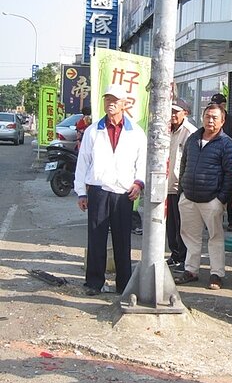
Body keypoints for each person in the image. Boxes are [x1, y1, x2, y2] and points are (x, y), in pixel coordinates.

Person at [74, 84, 147, 296]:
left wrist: (139, 183)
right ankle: (94, 283)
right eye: (107, 99)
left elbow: (142, 161)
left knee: (122, 239)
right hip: (98, 190)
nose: (111, 104)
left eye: (115, 100)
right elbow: (83, 162)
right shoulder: (92, 131)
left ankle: (124, 285)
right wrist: (81, 191)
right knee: (96, 237)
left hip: (123, 192)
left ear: (124, 104)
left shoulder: (136, 133)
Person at [174, 103, 232, 290]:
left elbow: (230, 174)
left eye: (215, 117)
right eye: (207, 116)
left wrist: (221, 199)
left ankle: (216, 274)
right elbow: (184, 164)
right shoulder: (193, 138)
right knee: (190, 237)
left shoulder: (226, 143)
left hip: (212, 200)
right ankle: (191, 270)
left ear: (222, 121)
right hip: (189, 197)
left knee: (215, 238)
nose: (210, 120)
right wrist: (182, 191)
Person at [165, 98, 197, 271]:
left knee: (183, 225)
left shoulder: (191, 132)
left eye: (176, 111)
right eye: (170, 111)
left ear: (185, 113)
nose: (172, 115)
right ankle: (175, 254)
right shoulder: (164, 129)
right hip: (166, 185)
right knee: (170, 224)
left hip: (181, 186)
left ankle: (184, 258)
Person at [211, 93, 232, 232]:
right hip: (214, 161)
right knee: (214, 191)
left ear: (224, 105)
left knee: (230, 192)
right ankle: (215, 220)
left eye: (218, 104)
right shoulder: (210, 120)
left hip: (229, 161)